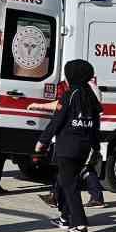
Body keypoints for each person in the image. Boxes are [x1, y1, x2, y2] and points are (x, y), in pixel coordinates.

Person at [36, 59, 102, 232]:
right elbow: (96, 125)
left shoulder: (69, 95)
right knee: (66, 180)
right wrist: (96, 148)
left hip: (68, 147)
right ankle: (65, 218)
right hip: (84, 148)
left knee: (69, 185)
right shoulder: (91, 96)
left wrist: (42, 141)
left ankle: (80, 224)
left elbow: (57, 121)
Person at [31, 75, 106, 208]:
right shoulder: (90, 89)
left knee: (79, 169)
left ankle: (94, 198)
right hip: (86, 137)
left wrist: (39, 106)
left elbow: (60, 109)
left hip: (77, 138)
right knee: (71, 169)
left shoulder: (82, 91)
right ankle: (55, 196)